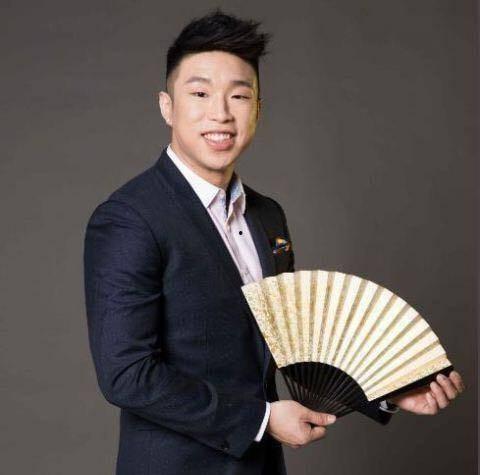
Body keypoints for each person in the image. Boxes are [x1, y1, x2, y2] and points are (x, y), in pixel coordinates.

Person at [83, 8, 465, 475]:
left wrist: (387, 389)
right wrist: (261, 419)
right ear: (167, 106)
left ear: (258, 108)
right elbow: (126, 375)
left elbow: (288, 340)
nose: (221, 113)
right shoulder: (129, 219)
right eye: (200, 93)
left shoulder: (267, 215)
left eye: (239, 96)